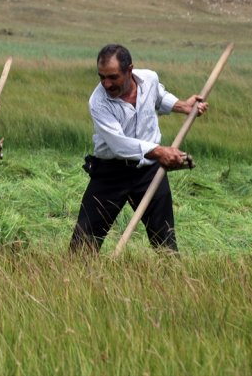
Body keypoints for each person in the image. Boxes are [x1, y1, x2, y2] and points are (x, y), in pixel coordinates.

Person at [69, 44, 209, 253]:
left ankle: (173, 280)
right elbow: (119, 145)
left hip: (149, 171)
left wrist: (183, 106)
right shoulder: (98, 102)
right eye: (102, 77)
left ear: (129, 70)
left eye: (113, 77)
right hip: (110, 173)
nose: (106, 84)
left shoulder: (149, 79)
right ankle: (75, 280)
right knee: (82, 245)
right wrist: (162, 151)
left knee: (165, 242)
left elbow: (159, 97)